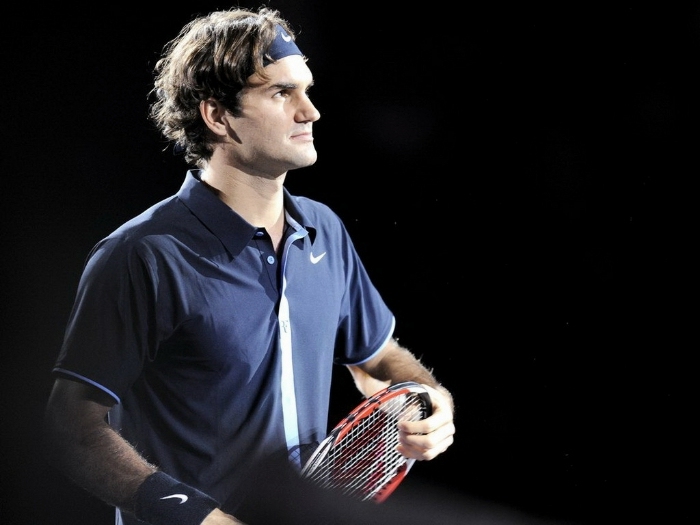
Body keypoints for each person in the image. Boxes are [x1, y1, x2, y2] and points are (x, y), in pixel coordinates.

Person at [42, 6, 455, 525]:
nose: (310, 112)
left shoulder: (323, 231)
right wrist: (201, 518)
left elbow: (378, 360)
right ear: (217, 117)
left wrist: (429, 401)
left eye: (306, 91)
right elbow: (72, 428)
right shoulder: (142, 254)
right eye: (282, 93)